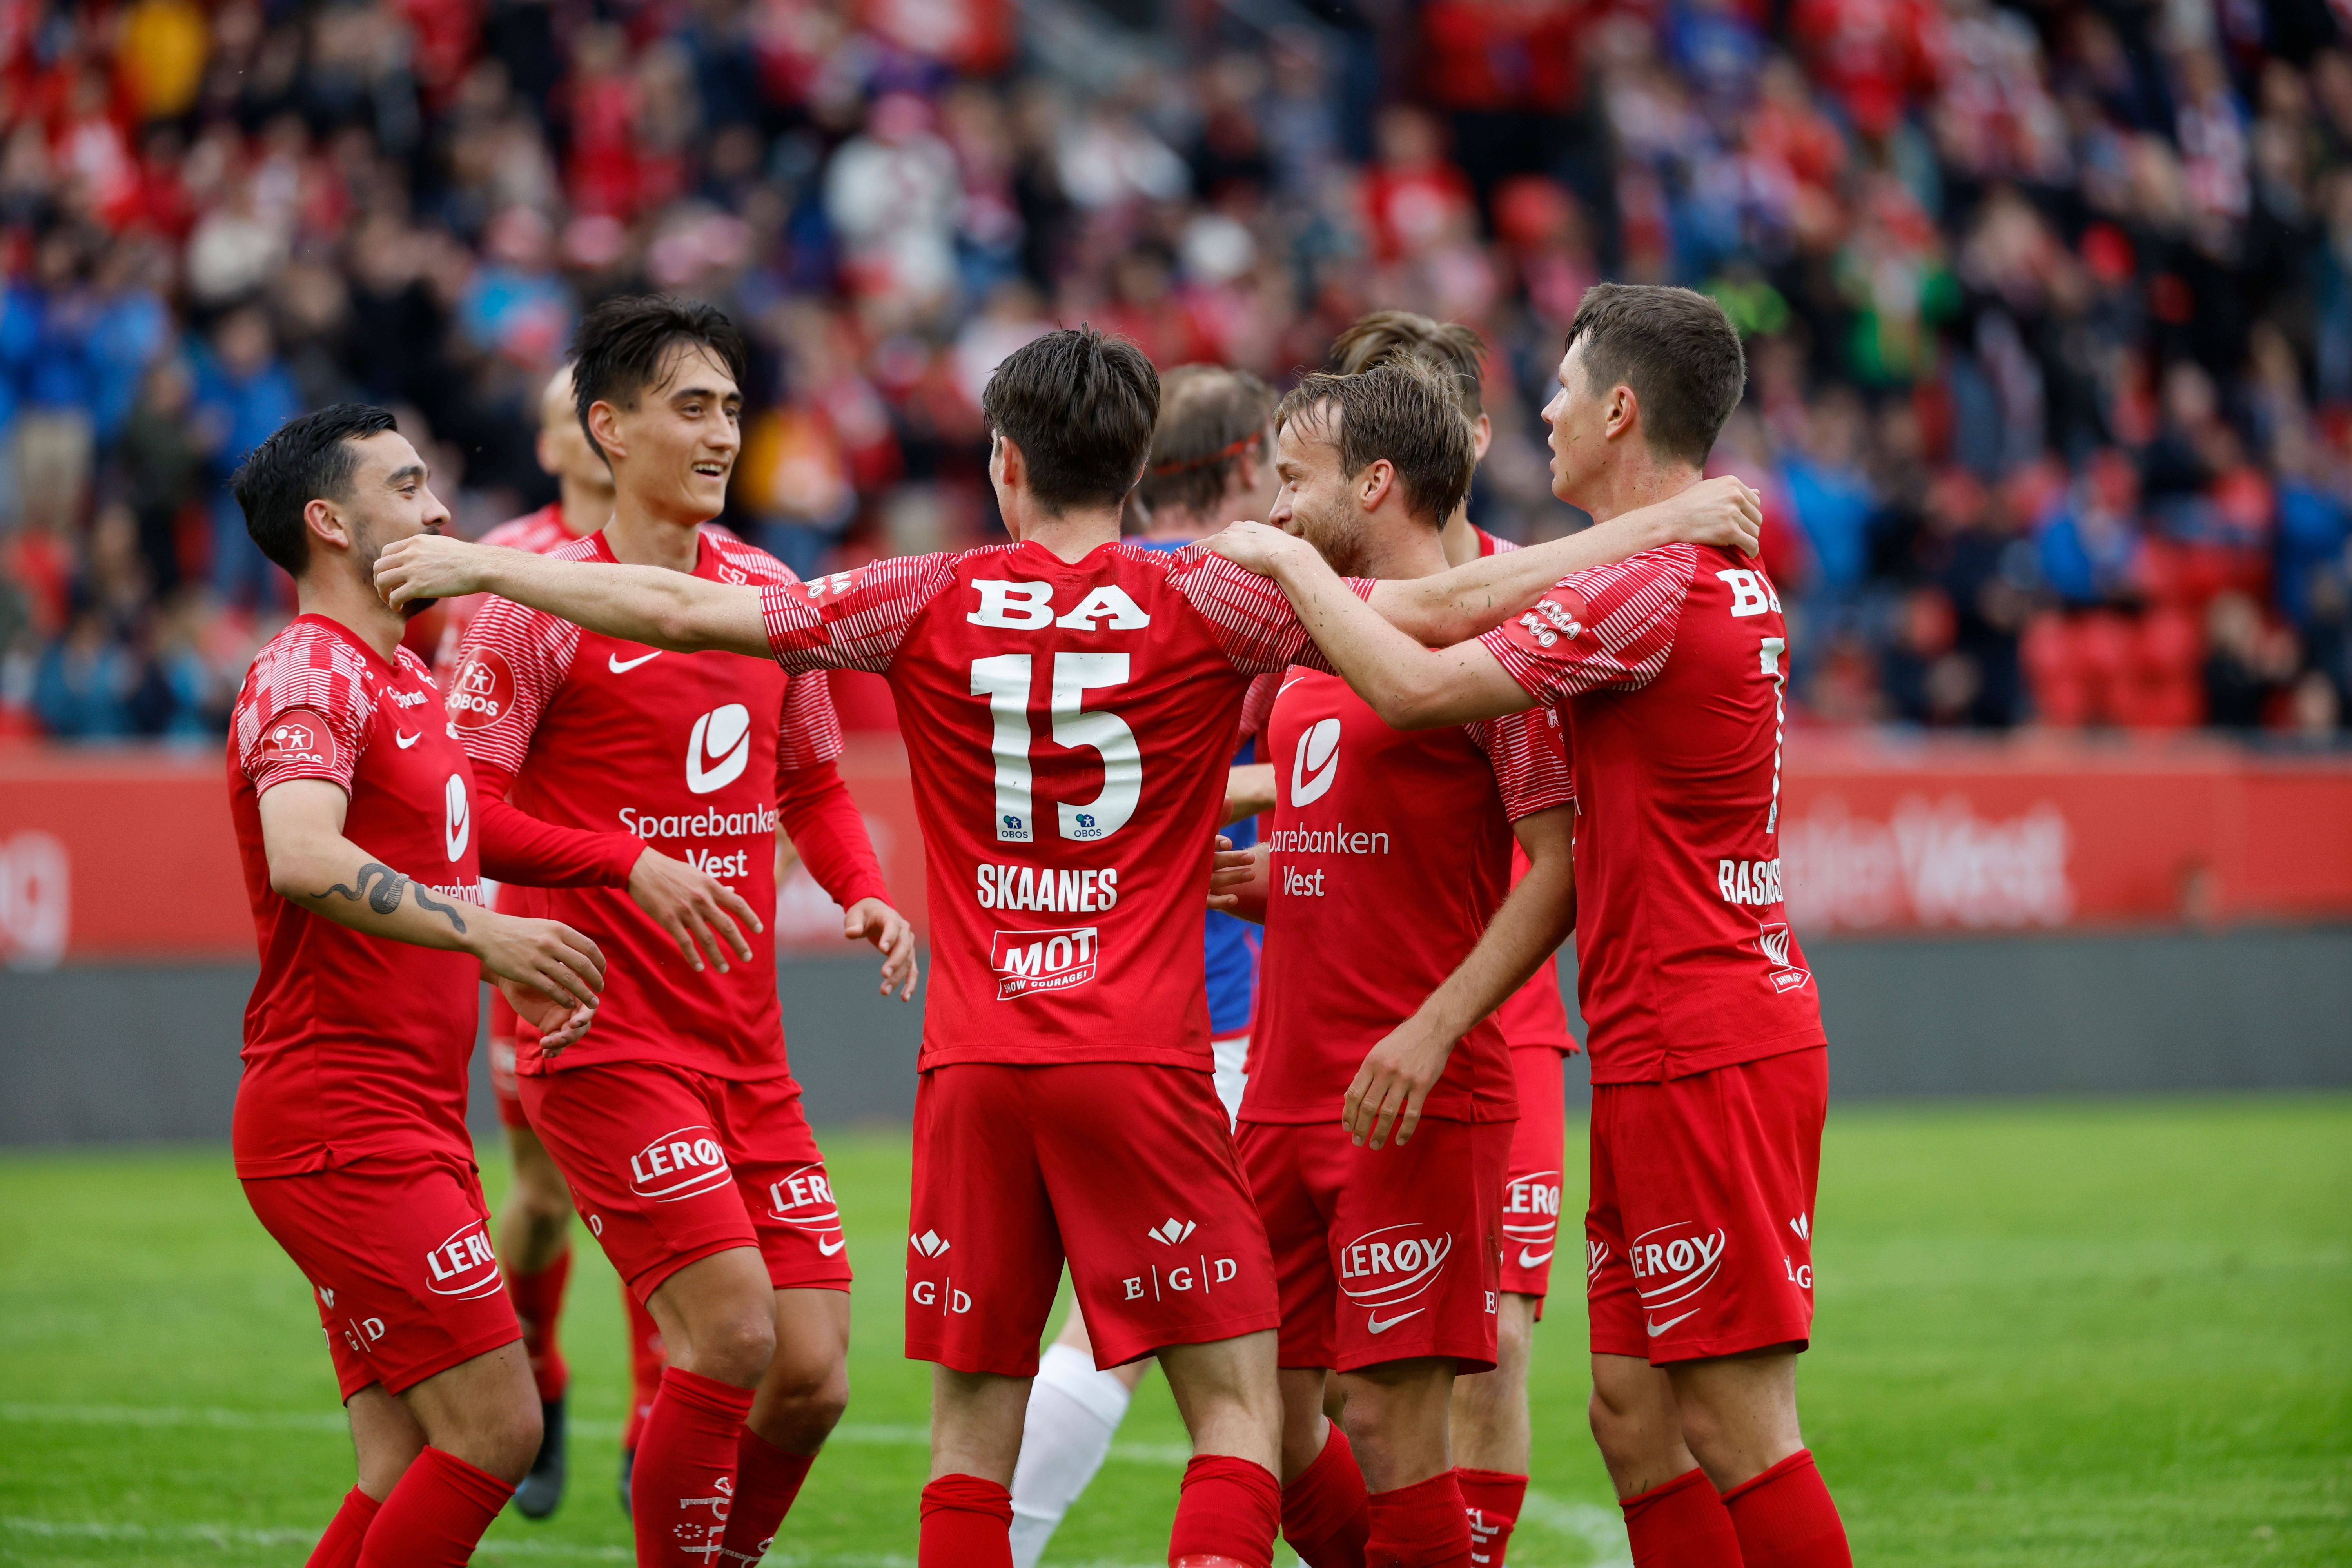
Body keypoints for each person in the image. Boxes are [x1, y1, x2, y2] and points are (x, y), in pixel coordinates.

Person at [373, 322, 1762, 1568]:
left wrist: (481, 564)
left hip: (975, 1068)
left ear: (1004, 463)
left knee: (969, 1440)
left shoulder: (922, 593)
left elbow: (682, 610)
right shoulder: (1213, 597)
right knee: (1239, 1417)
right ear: (1140, 463)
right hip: (1141, 1061)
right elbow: (1444, 612)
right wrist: (1668, 524)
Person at [1204, 284, 1852, 1568]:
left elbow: (1421, 677)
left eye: (1563, 388)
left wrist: (1288, 563)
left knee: (1735, 1422)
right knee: (1633, 1419)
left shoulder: (1650, 587)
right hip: (1669, 1031)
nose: (1542, 413)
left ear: (1620, 410)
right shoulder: (1665, 569)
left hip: (1703, 1034)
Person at [447, 296, 917, 1568]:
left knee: (813, 1374)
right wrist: (626, 862)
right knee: (734, 1336)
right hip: (604, 1041)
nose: (722, 435)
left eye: (732, 409)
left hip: (745, 1051)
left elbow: (812, 784)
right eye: (691, 408)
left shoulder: (767, 595)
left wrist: (864, 885)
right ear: (608, 428)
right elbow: (464, 815)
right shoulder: (535, 607)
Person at [1207, 357, 1580, 1568]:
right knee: (1261, 1415)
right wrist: (1271, 876)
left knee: (1389, 1419)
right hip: (1282, 1093)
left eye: (1295, 480)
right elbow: (1354, 841)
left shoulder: (1496, 654)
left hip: (1412, 1093)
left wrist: (1434, 1028)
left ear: (1373, 485)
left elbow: (1559, 866)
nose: (1275, 509)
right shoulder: (1309, 645)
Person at [223, 403, 607, 1568]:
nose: (440, 510)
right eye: (406, 487)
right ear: (331, 524)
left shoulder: (394, 676)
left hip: (401, 1117)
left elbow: (462, 838)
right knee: (498, 1430)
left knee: (400, 1465)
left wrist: (623, 867)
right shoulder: (308, 670)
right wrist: (489, 937)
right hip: (342, 1124)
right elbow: (303, 855)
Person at [1003, 362, 1281, 1568]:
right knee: (1231, 1382)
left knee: (1147, 1333)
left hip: (1068, 1007)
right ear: (1244, 468)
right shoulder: (1228, 595)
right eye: (1280, 468)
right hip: (1210, 1027)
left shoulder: (1045, 593)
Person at [1329, 310, 1581, 1563]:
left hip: (1500, 1024)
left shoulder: (1531, 596)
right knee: (1338, 1383)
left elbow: (1559, 845)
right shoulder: (1319, 602)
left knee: (1495, 1340)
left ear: (1472, 434)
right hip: (1338, 1024)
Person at [431, 360, 629, 1520]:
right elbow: (461, 766)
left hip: (667, 928)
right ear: (557, 445)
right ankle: (540, 1380)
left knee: (683, 1194)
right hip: (542, 924)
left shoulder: (705, 563)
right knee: (546, 1195)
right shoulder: (500, 569)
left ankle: (656, 1429)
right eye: (573, 422)